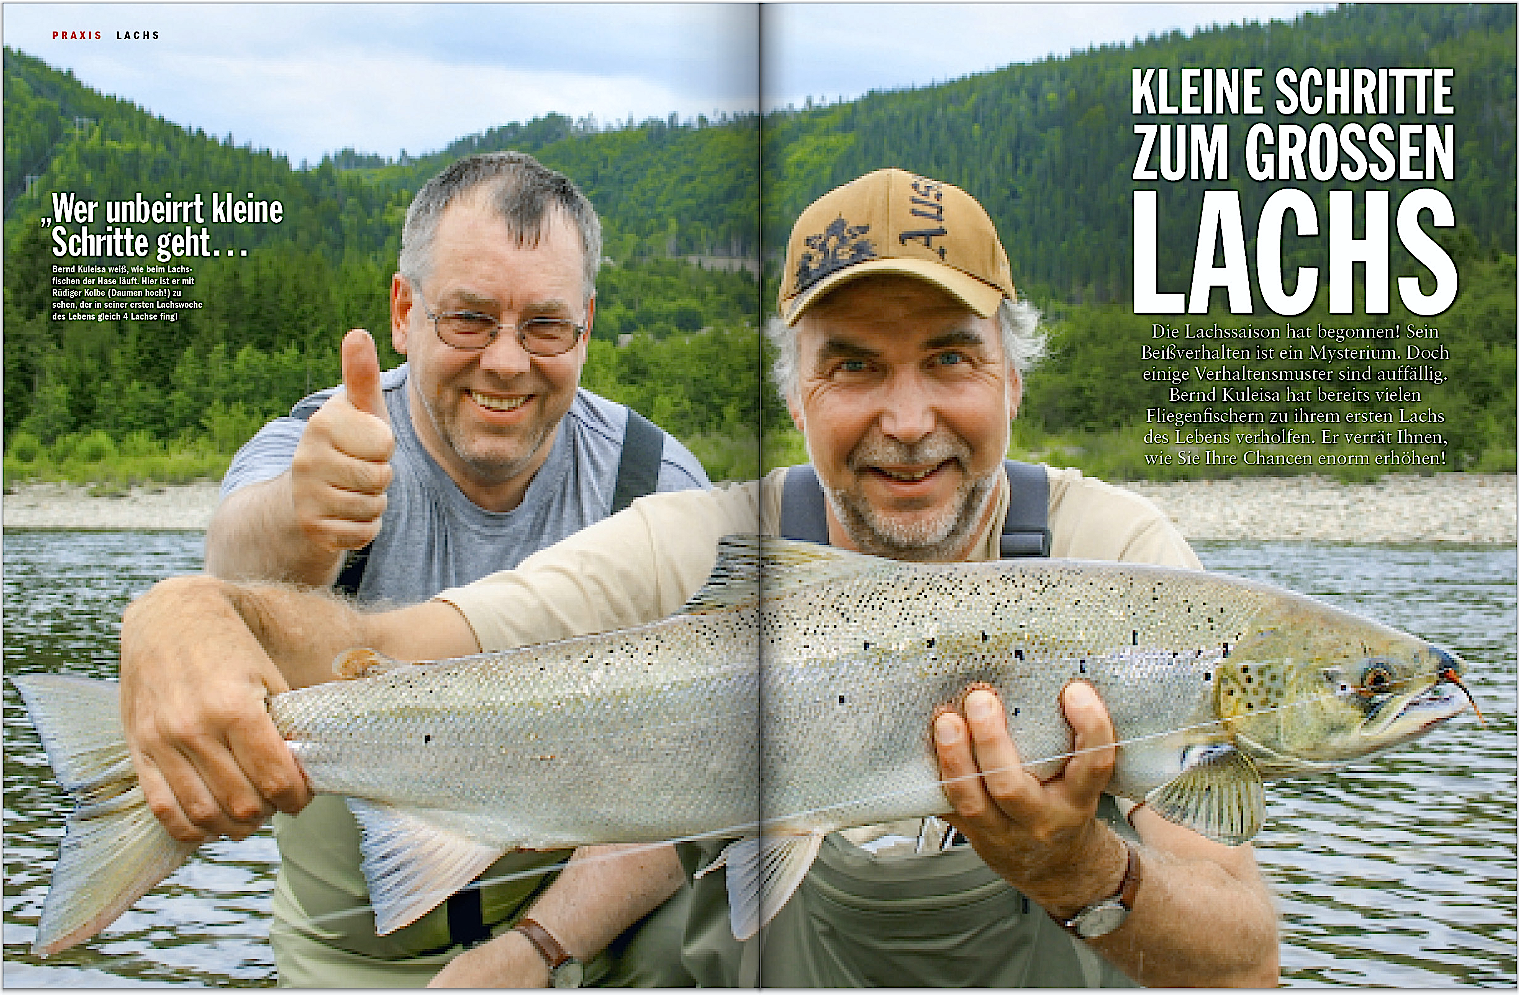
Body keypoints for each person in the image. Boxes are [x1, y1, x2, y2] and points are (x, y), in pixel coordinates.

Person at [120, 168, 1279, 986]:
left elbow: (1244, 961)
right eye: (855, 365)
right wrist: (194, 608)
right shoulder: (693, 533)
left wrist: (1079, 866)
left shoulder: (1125, 565)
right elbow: (418, 649)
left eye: (950, 359)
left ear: (1014, 381)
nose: (909, 417)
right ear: (797, 393)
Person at [154, 151, 711, 987]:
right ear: (404, 311)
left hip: (593, 939)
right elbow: (235, 577)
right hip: (355, 955)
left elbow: (704, 778)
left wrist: (534, 951)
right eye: (470, 319)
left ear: (586, 325)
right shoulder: (316, 449)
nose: (507, 361)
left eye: (546, 326)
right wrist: (305, 520)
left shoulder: (658, 486)